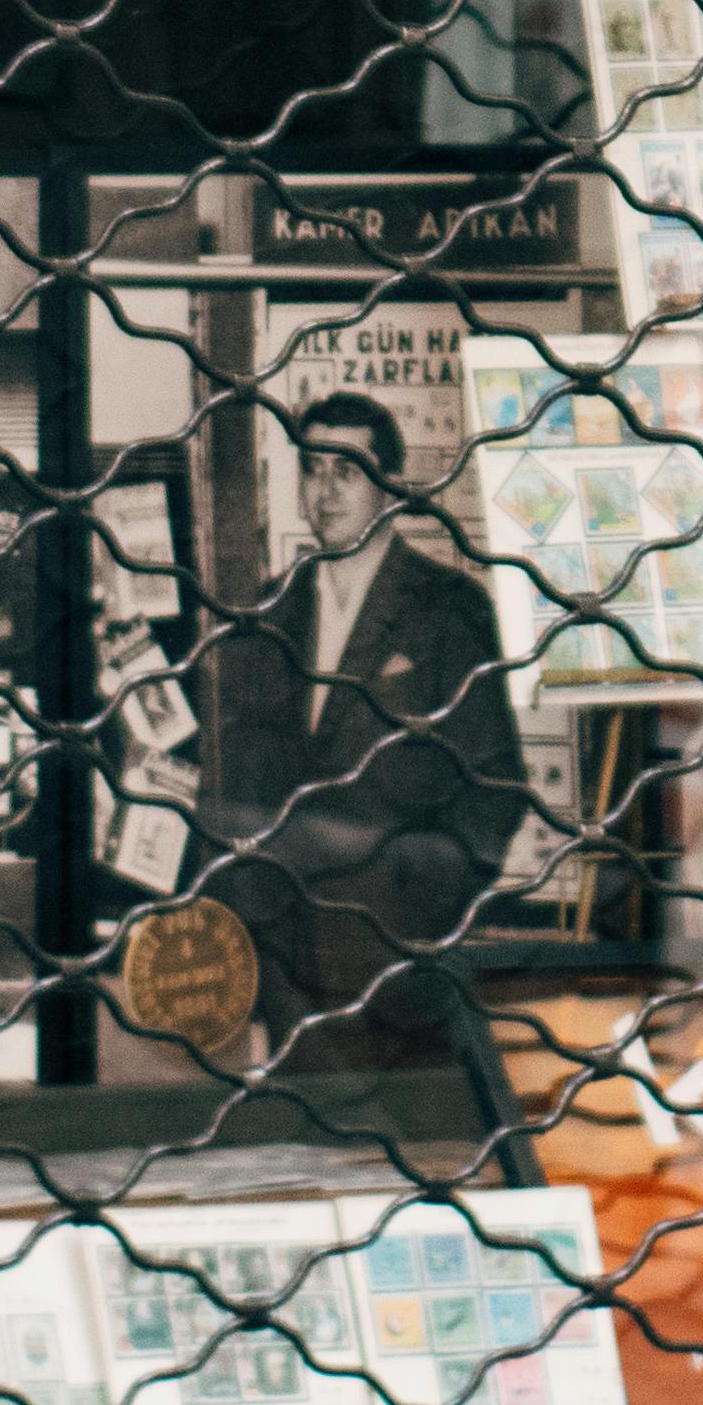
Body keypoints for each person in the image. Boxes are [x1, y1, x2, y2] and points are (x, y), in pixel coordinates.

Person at [205, 397, 528, 1038]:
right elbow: (234, 776)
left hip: (398, 959)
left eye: (347, 471)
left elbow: (495, 785)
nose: (324, 491)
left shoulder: (447, 606)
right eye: (312, 468)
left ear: (391, 487)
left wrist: (426, 911)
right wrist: (249, 918)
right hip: (283, 963)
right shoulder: (266, 611)